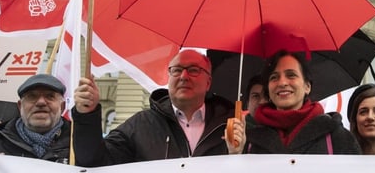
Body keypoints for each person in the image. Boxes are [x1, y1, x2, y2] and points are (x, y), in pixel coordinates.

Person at [72, 49, 245, 166]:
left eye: (193, 70)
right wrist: (87, 114)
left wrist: (237, 155)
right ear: (168, 77)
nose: (184, 76)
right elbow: (94, 161)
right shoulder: (141, 125)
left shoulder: (233, 125)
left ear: (208, 82)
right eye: (176, 70)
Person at [244, 50, 360, 154]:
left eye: (291, 75)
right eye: (274, 77)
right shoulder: (248, 139)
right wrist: (235, 152)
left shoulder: (337, 136)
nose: (282, 83)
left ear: (307, 86)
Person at [0, 74, 70, 162]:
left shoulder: (82, 142)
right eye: (32, 96)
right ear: (20, 106)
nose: (41, 102)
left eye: (50, 96)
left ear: (62, 107)